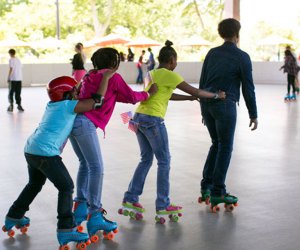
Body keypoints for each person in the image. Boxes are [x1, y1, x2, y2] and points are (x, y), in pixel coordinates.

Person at [2, 71, 115, 248]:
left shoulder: (52, 104)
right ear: (66, 94)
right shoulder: (69, 105)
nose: (78, 94)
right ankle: (66, 228)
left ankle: (14, 216)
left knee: (34, 184)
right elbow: (97, 102)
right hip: (45, 154)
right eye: (75, 91)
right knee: (66, 186)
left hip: (31, 149)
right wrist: (106, 78)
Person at [118, 40, 226, 224]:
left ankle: (131, 198)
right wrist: (217, 95)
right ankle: (163, 204)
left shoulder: (151, 73)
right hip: (153, 121)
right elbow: (198, 91)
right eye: (176, 61)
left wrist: (189, 98)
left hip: (139, 118)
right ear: (172, 60)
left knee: (146, 159)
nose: (176, 64)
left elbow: (165, 95)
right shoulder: (170, 75)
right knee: (164, 161)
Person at [69, 47, 157, 242]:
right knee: (96, 167)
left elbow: (121, 96)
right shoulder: (112, 77)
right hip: (86, 124)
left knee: (85, 164)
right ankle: (95, 214)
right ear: (115, 64)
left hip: (74, 123)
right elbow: (132, 97)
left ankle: (80, 207)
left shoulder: (89, 76)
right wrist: (148, 94)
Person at [198, 18, 258, 212]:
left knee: (216, 144)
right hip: (225, 105)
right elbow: (248, 88)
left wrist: (202, 109)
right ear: (237, 34)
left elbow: (202, 81)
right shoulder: (242, 56)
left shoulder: (212, 53)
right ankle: (218, 191)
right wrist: (253, 114)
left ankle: (206, 185)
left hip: (207, 104)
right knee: (225, 147)